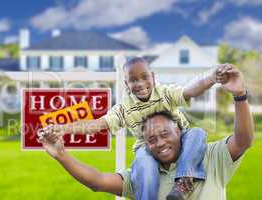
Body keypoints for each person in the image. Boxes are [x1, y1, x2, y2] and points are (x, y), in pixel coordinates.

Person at [39, 66, 254, 200]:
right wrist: (61, 151)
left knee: (197, 133)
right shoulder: (144, 171)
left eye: (164, 134)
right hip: (144, 161)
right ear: (126, 84)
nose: (160, 143)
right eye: (152, 139)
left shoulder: (209, 157)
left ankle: (184, 180)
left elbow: (243, 140)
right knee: (142, 162)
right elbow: (98, 180)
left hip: (192, 146)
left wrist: (236, 93)